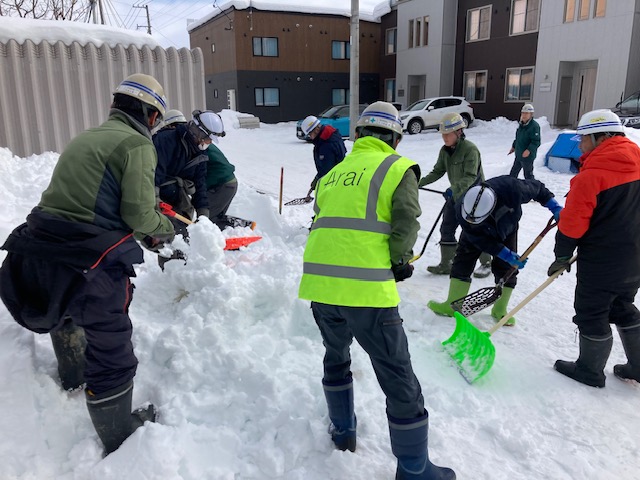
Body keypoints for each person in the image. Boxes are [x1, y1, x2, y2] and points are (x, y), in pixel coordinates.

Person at [0, 73, 176, 454]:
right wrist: (167, 227)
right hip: (87, 259)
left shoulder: (85, 136)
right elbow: (140, 215)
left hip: (40, 246)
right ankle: (118, 434)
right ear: (148, 114)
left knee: (65, 311)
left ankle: (74, 373)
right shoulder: (137, 145)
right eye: (156, 119)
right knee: (111, 339)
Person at [299, 102, 456, 480]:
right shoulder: (397, 167)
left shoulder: (333, 173)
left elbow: (328, 222)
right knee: (397, 373)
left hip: (321, 285)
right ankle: (414, 468)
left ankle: (343, 431)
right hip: (367, 291)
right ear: (396, 138)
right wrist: (399, 262)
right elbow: (405, 221)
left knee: (336, 357)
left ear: (360, 135)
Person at [549, 109, 640, 388]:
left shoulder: (591, 176)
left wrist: (562, 255)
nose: (580, 144)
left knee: (592, 311)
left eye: (583, 138)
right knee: (623, 305)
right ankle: (638, 366)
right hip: (635, 257)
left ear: (600, 137)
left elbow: (572, 224)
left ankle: (589, 370)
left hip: (602, 260)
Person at [428, 176, 562, 326]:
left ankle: (500, 310)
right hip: (476, 233)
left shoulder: (512, 188)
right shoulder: (463, 209)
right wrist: (504, 253)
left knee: (507, 268)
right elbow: (480, 240)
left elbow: (539, 189)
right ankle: (452, 305)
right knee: (463, 261)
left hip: (507, 229)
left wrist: (555, 207)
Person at [418, 112, 491, 278]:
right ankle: (447, 264)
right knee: (447, 227)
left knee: (473, 231)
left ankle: (486, 263)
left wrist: (454, 188)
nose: (444, 137)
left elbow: (470, 176)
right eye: (443, 134)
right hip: (456, 196)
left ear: (459, 132)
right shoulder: (445, 151)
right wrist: (418, 183)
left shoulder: (470, 150)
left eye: (447, 134)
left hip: (474, 198)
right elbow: (437, 171)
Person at [300, 115, 347, 197]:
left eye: (310, 134)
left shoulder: (328, 143)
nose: (310, 137)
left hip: (335, 184)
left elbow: (328, 170)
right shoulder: (323, 140)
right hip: (335, 181)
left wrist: (317, 179)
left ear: (316, 129)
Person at [508, 103, 541, 180]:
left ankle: (533, 189)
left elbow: (536, 141)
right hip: (519, 154)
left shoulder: (534, 126)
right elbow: (518, 138)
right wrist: (514, 147)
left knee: (528, 175)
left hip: (527, 156)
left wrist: (529, 150)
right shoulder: (521, 125)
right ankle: (510, 188)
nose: (524, 115)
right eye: (523, 113)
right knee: (513, 174)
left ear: (531, 114)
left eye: (526, 113)